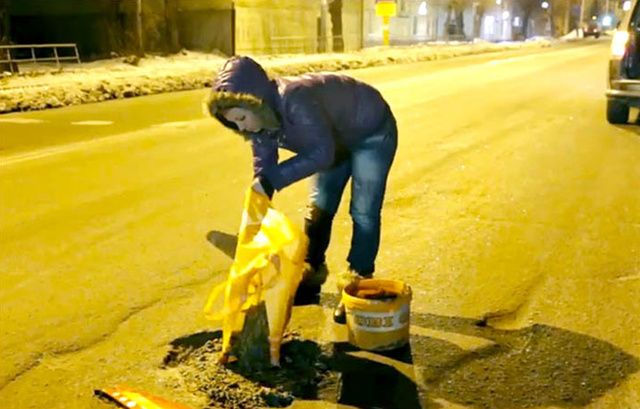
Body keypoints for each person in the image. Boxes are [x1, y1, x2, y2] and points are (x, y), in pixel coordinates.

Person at [207, 56, 397, 323]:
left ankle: (358, 283)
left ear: (256, 103)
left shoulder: (296, 99)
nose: (241, 128)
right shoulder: (260, 123)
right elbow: (265, 168)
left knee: (363, 210)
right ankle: (310, 272)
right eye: (234, 124)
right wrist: (255, 214)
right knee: (320, 205)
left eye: (241, 118)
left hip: (371, 132)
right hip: (334, 141)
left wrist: (273, 180)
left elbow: (320, 154)